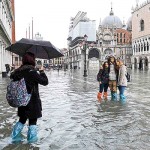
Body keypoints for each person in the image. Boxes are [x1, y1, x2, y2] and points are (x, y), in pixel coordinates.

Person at [10, 52, 48, 143]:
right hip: (32, 103)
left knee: (22, 120)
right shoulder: (32, 72)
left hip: (21, 101)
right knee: (32, 122)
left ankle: (13, 138)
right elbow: (45, 82)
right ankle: (32, 143)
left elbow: (13, 79)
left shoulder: (18, 72)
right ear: (32, 61)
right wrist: (42, 71)